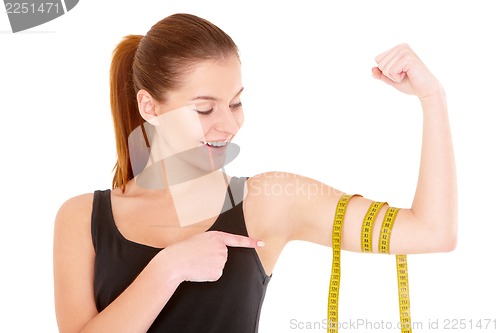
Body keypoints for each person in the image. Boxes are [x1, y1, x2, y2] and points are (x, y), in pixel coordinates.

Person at [53, 13, 457, 333]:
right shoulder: (81, 218)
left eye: (236, 103)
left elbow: (431, 232)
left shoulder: (268, 203)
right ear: (150, 107)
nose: (228, 125)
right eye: (204, 108)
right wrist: (169, 268)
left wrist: (432, 97)